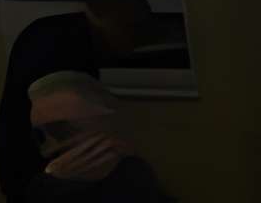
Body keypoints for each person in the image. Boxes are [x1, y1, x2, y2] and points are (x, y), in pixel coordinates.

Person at [0, 0, 153, 201]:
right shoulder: (70, 42)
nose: (132, 47)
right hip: (40, 168)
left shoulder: (56, 33)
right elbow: (62, 117)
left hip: (31, 165)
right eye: (134, 33)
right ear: (118, 22)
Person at [23, 73, 170, 200]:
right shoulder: (46, 186)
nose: (53, 147)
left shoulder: (135, 180)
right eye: (40, 135)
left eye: (61, 130)